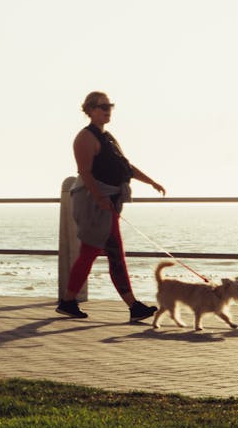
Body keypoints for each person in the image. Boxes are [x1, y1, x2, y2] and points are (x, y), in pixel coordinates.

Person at [57, 91, 165, 321]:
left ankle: (68, 301)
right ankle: (132, 306)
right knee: (113, 254)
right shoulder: (85, 138)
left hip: (106, 204)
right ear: (89, 109)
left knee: (90, 253)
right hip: (95, 206)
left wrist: (151, 182)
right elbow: (84, 172)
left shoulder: (108, 137)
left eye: (110, 106)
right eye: (102, 106)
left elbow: (125, 167)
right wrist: (99, 198)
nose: (107, 110)